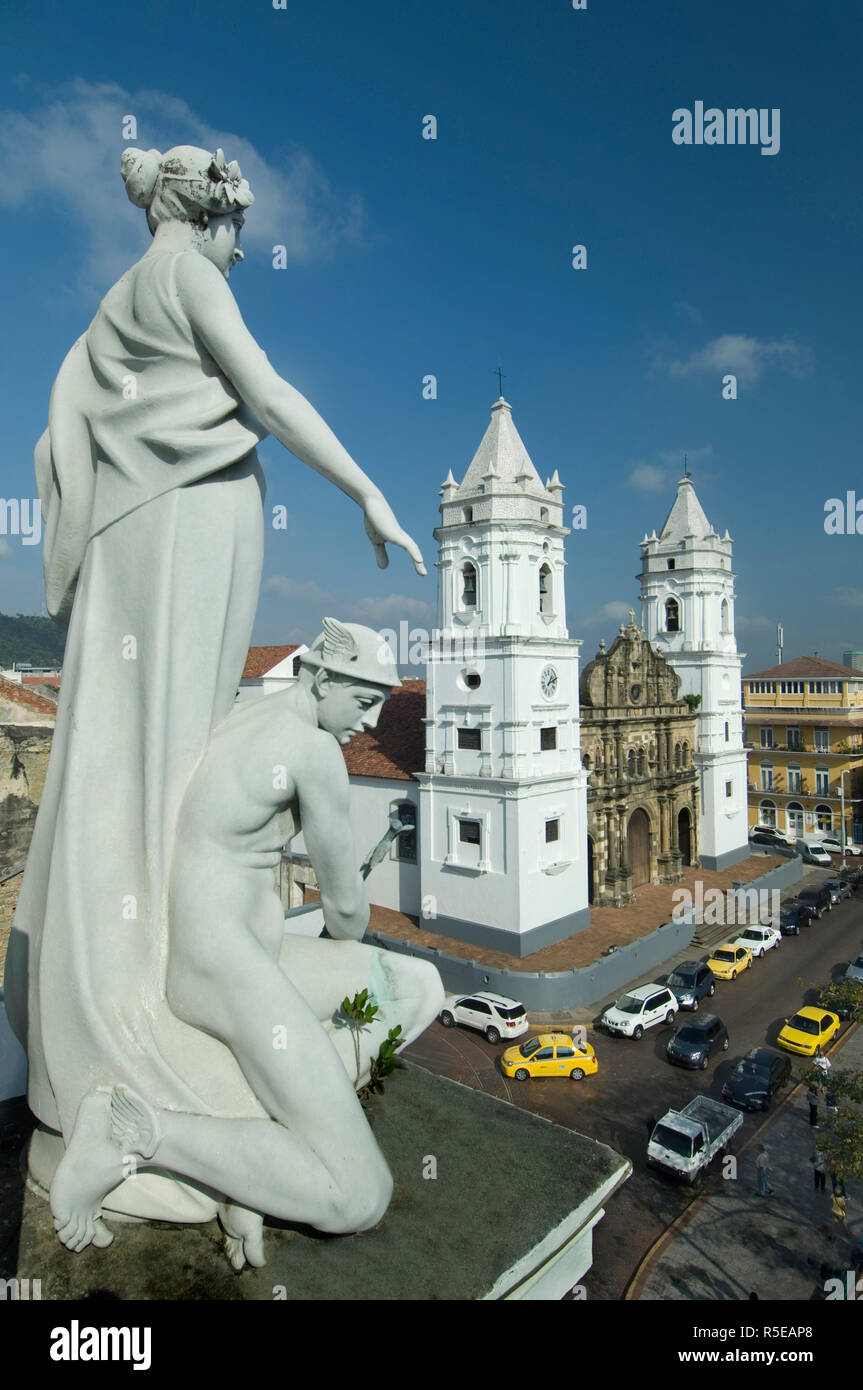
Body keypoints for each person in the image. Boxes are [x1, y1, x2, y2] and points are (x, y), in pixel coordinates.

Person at [5, 145, 426, 1212]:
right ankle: (128, 1040)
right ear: (208, 214)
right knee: (154, 755)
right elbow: (269, 392)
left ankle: (121, 1003)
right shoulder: (184, 272)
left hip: (164, 534)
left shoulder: (117, 297)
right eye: (240, 231)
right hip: (182, 529)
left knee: (150, 756)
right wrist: (366, 492)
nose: (244, 253)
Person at [49, 620, 445, 1262]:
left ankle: (255, 1165)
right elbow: (345, 908)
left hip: (239, 953)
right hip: (226, 968)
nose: (372, 723)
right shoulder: (313, 753)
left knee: (417, 984)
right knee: (358, 1198)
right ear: (320, 678)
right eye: (364, 700)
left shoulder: (238, 714)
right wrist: (348, 930)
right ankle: (135, 1135)